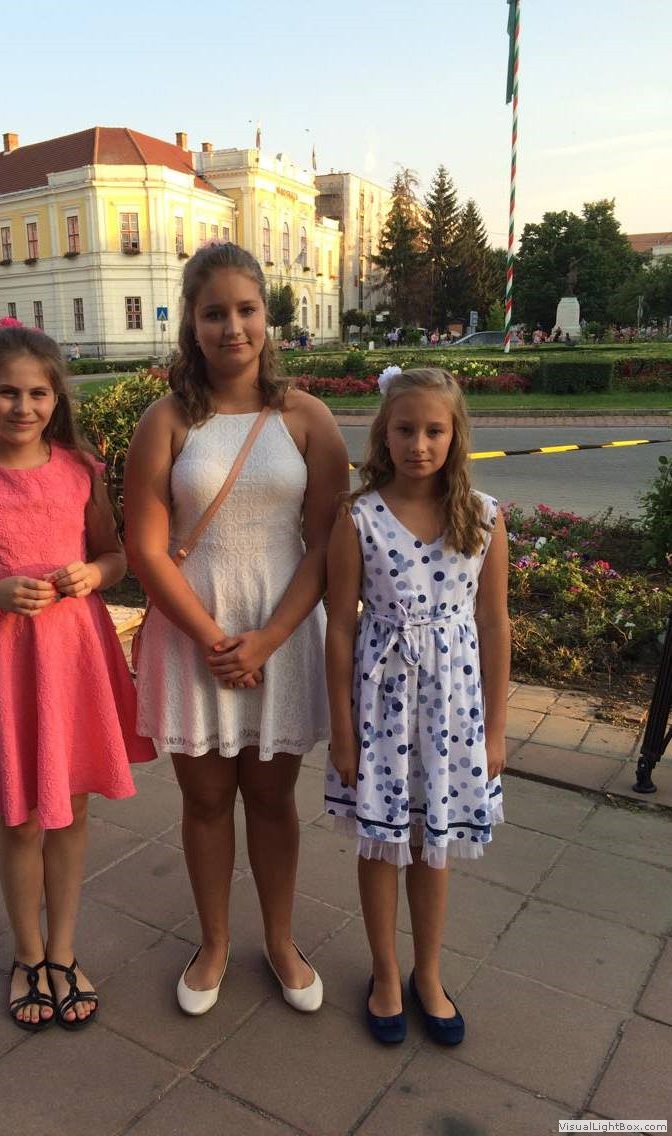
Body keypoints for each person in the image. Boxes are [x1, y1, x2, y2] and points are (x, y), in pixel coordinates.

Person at [0, 325, 155, 1032]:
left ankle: (63, 951)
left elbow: (115, 556)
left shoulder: (80, 471)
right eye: (8, 393)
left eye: (38, 393)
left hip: (72, 657)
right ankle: (27, 954)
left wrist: (93, 574)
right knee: (19, 817)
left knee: (71, 808)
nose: (24, 407)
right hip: (1, 662)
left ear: (56, 398)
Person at [124, 242, 349, 1016]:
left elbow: (326, 545)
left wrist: (269, 638)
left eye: (246, 310)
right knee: (207, 800)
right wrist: (213, 639)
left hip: (283, 631)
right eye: (214, 313)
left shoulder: (307, 419)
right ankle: (215, 942)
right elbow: (145, 548)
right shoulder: (166, 420)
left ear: (266, 316)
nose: (232, 327)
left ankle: (280, 941)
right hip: (193, 636)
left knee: (275, 799)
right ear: (192, 322)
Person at [323, 365, 509, 1047]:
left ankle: (428, 973)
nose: (419, 444)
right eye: (405, 429)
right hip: (380, 710)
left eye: (434, 430)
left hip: (452, 713)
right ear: (385, 433)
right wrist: (342, 731)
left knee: (435, 846)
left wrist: (496, 730)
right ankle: (384, 972)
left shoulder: (482, 516)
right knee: (381, 845)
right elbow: (340, 628)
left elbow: (494, 624)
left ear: (456, 435)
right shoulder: (358, 516)